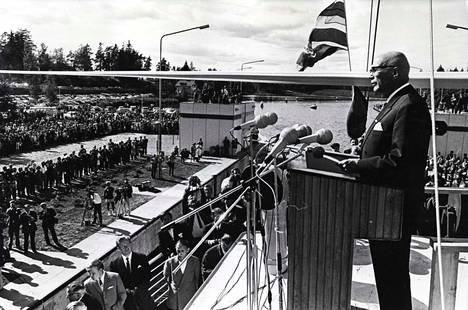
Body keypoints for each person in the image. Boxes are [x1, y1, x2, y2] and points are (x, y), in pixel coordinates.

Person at [339, 51, 431, 310]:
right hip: (382, 208)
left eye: (374, 69)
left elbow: (399, 162)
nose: (370, 76)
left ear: (394, 72)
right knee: (388, 281)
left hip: (392, 210)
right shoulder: (397, 103)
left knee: (393, 281)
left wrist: (358, 165)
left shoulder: (409, 106)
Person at [109, 236, 155, 310]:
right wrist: (126, 291)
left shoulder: (141, 258)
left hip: (144, 299)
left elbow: (148, 276)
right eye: (123, 246)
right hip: (128, 303)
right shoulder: (114, 265)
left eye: (127, 244)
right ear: (118, 248)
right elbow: (116, 284)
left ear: (131, 244)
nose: (126, 247)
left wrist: (138, 289)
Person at [163, 239, 200, 310]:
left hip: (189, 297)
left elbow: (197, 279)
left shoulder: (195, 261)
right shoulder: (169, 263)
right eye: (178, 251)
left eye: (182, 251)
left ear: (188, 250)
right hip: (175, 300)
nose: (180, 254)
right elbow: (166, 278)